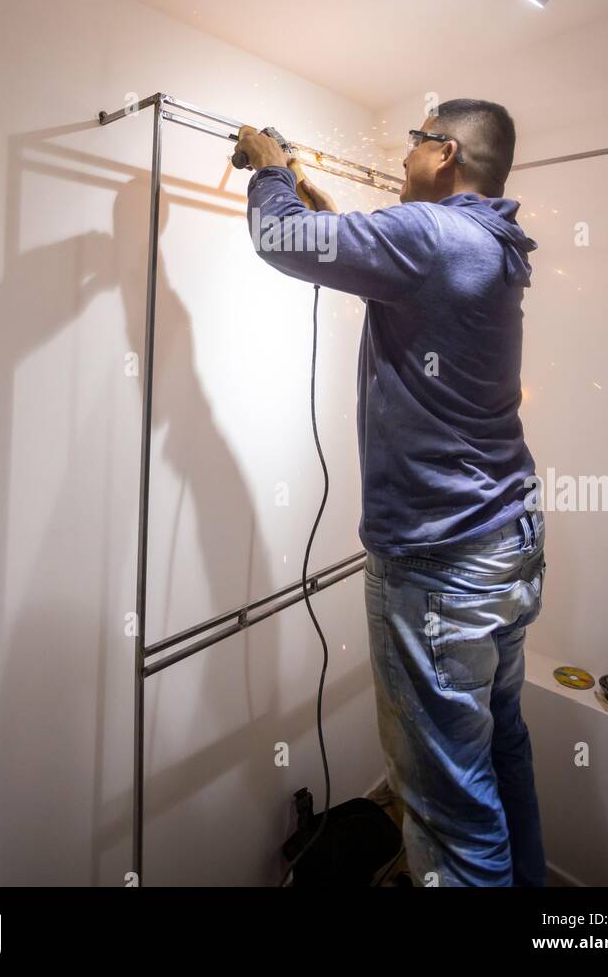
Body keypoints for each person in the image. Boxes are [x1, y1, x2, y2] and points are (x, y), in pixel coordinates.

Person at [235, 99, 546, 888]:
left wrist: (267, 168)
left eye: (412, 142)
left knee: (447, 807)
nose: (403, 155)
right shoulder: (491, 242)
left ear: (442, 152)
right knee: (498, 752)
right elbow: (382, 262)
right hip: (504, 544)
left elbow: (279, 238)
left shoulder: (430, 238)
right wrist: (303, 186)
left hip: (439, 564)